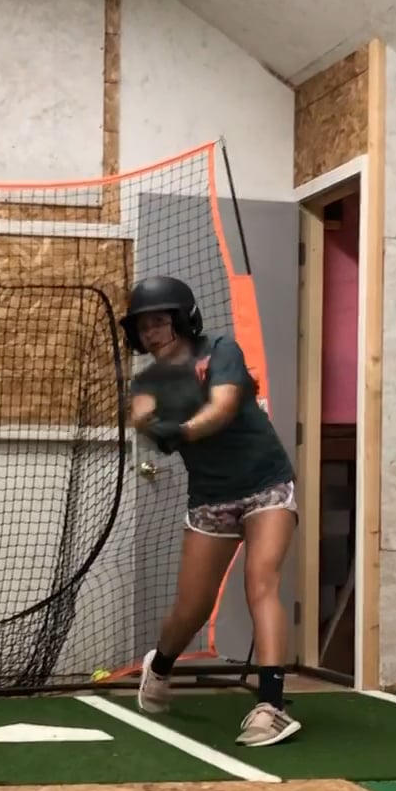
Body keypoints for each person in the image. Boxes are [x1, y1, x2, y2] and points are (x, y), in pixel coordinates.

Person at [121, 275, 301, 747]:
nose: (152, 333)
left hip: (265, 484)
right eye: (144, 326)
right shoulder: (148, 382)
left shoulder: (221, 350)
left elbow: (221, 409)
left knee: (261, 582)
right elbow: (140, 413)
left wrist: (177, 430)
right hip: (210, 498)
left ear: (183, 319)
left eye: (161, 321)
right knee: (193, 607)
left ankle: (271, 706)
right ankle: (161, 665)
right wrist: (146, 423)